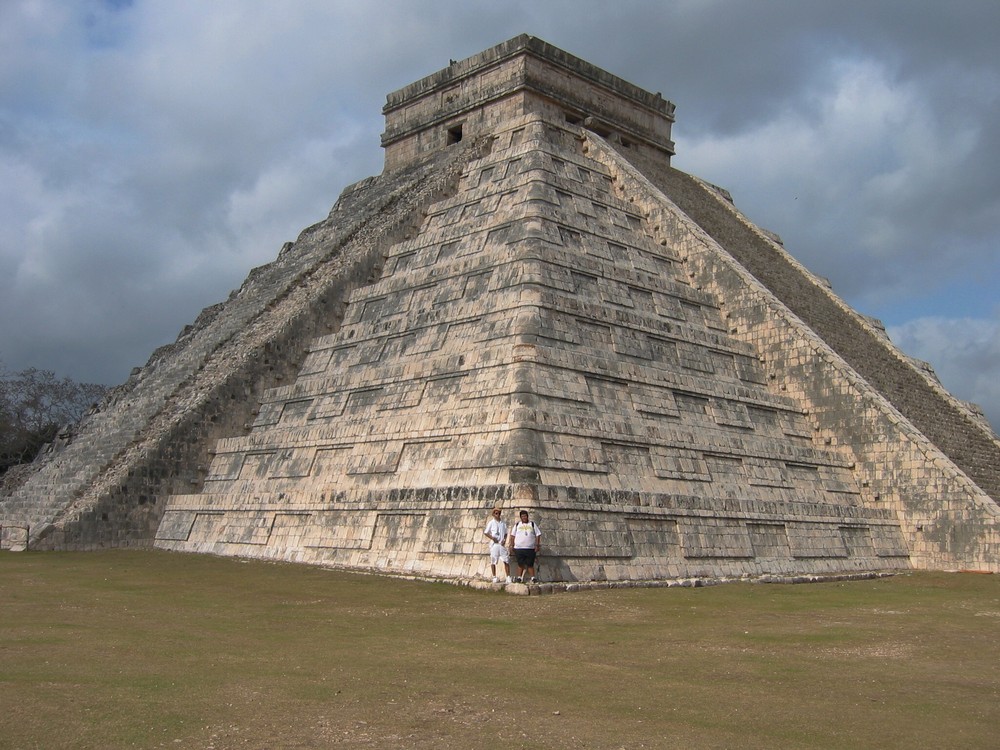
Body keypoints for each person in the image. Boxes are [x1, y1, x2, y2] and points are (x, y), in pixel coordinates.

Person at [508, 509, 541, 583]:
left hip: (530, 548)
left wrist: (537, 545)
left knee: (530, 564)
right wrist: (511, 545)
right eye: (522, 516)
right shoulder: (517, 525)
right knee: (520, 563)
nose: (524, 517)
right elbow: (512, 535)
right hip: (519, 548)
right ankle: (519, 577)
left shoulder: (532, 524)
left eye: (525, 516)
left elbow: (538, 534)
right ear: (520, 517)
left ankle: (533, 578)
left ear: (527, 516)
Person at [483, 507, 511, 583]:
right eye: (496, 513)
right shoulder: (491, 523)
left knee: (506, 560)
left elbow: (505, 533)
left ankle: (508, 576)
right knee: (493, 560)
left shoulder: (503, 523)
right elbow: (486, 532)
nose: (497, 515)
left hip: (501, 544)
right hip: (494, 544)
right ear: (493, 514)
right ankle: (494, 576)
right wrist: (492, 538)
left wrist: (504, 540)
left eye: (499, 513)